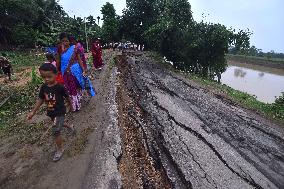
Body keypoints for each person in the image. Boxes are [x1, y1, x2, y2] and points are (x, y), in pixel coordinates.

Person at [27, 63, 75, 162]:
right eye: (44, 77)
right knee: (57, 124)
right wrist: (33, 112)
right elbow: (40, 99)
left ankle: (60, 150)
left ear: (56, 74)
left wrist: (71, 106)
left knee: (56, 131)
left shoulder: (60, 87)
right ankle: (70, 126)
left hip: (60, 111)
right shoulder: (44, 87)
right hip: (51, 111)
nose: (47, 79)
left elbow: (67, 97)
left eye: (49, 76)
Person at [57, 32, 95, 111]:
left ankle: (76, 105)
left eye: (66, 41)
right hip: (64, 72)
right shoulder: (59, 50)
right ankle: (75, 103)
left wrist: (83, 69)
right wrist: (58, 71)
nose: (65, 43)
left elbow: (79, 60)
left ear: (69, 41)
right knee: (70, 88)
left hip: (74, 71)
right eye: (63, 41)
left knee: (76, 86)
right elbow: (59, 61)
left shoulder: (74, 48)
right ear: (60, 41)